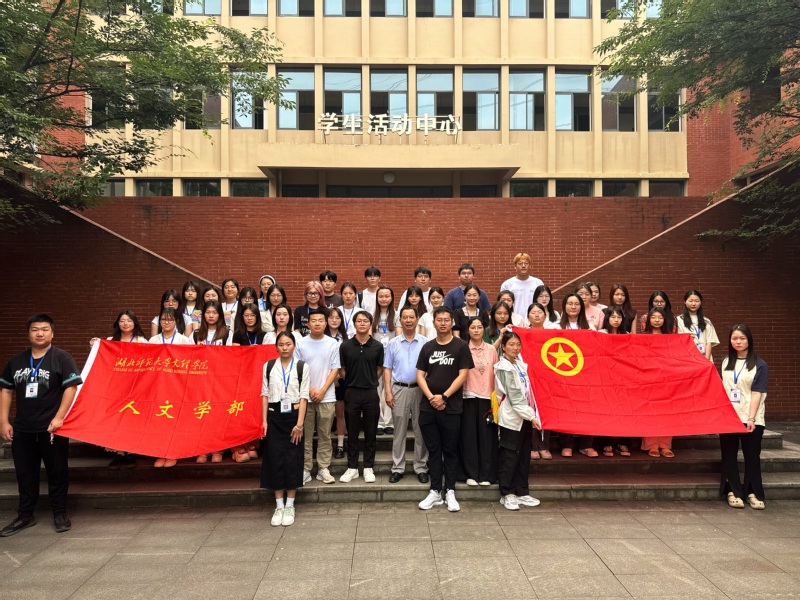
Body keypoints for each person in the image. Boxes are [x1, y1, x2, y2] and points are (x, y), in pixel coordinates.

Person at [0, 314, 82, 536]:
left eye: (44, 329)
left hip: (52, 428)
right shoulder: (16, 361)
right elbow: (6, 390)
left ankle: (60, 513)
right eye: (35, 329)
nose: (40, 333)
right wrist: (4, 421)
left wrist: (59, 417)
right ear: (28, 334)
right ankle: (25, 515)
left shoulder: (62, 358)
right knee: (25, 473)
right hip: (23, 428)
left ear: (52, 333)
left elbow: (71, 388)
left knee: (57, 472)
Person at [416, 307, 474, 512]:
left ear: (452, 323)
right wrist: (431, 397)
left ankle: (450, 491)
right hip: (428, 407)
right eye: (439, 320)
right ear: (434, 322)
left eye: (446, 320)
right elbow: (420, 375)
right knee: (433, 451)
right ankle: (435, 491)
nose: (442, 323)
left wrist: (445, 397)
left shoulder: (461, 346)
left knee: (450, 451)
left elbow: (463, 375)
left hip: (451, 407)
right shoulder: (427, 347)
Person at [261, 332, 309, 527]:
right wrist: (264, 421)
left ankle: (290, 504)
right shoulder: (268, 366)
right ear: (276, 347)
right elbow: (264, 394)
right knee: (275, 459)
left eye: (288, 344)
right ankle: (279, 505)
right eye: (281, 344)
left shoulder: (301, 366)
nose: (284, 348)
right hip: (274, 417)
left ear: (294, 345)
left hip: (293, 418)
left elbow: (304, 397)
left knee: (292, 459)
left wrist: (300, 424)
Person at [719, 325, 768, 510]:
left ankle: (753, 492)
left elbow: (757, 392)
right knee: (729, 455)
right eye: (734, 338)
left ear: (749, 340)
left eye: (742, 338)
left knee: (752, 456)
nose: (738, 342)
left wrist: (751, 418)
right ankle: (732, 491)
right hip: (729, 416)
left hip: (751, 418)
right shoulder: (725, 362)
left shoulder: (759, 364)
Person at [495, 331, 541, 510]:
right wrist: (532, 416)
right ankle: (507, 493)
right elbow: (514, 397)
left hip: (526, 417)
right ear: (503, 347)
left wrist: (532, 415)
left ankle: (522, 492)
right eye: (511, 344)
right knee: (510, 455)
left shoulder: (521, 365)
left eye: (518, 344)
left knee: (523, 455)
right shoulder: (503, 367)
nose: (515, 348)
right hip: (512, 418)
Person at [383, 306, 430, 484]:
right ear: (400, 320)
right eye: (405, 317)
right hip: (399, 389)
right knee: (399, 431)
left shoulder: (426, 343)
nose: (408, 320)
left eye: (411, 317)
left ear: (417, 319)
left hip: (420, 389)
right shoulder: (393, 343)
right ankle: (397, 467)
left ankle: (421, 467)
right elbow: (387, 369)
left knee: (420, 430)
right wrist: (388, 391)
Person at [295, 308, 340, 485]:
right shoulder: (301, 343)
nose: (317, 324)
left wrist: (322, 391)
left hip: (327, 397)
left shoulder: (332, 343)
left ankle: (323, 468)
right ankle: (305, 469)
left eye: (321, 320)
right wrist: (311, 390)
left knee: (324, 435)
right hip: (305, 397)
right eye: (313, 321)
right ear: (308, 324)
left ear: (326, 323)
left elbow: (335, 369)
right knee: (305, 435)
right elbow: (297, 369)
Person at [338, 312, 384, 483]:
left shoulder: (378, 346)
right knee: (352, 432)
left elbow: (380, 369)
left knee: (371, 432)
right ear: (354, 324)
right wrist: (353, 380)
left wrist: (369, 380)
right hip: (351, 392)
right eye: (359, 321)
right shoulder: (346, 346)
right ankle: (352, 468)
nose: (362, 323)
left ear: (370, 324)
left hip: (371, 392)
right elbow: (341, 369)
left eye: (365, 321)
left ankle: (368, 467)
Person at [190, 300, 233, 464]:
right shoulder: (195, 334)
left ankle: (217, 449)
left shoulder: (227, 334)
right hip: (201, 382)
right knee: (202, 415)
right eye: (208, 312)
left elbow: (231, 356)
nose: (211, 315)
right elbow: (189, 357)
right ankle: (203, 449)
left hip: (220, 380)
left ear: (220, 315)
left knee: (218, 415)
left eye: (214, 312)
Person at [148, 307, 191, 468]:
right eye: (163, 319)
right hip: (158, 386)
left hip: (177, 386)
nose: (166, 322)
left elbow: (191, 361)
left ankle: (173, 452)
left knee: (175, 420)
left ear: (176, 322)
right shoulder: (153, 340)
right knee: (160, 419)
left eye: (170, 319)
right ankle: (161, 452)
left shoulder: (184, 340)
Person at [557, 294, 597, 457]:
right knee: (565, 409)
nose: (573, 307)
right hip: (562, 375)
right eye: (569, 303)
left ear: (581, 306)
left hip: (585, 375)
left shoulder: (590, 327)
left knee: (587, 408)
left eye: (576, 304)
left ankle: (586, 445)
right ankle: (567, 444)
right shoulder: (555, 327)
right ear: (564, 306)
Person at [461, 319, 499, 486]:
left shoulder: (491, 349)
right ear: (468, 330)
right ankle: (471, 474)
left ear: (484, 329)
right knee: (469, 436)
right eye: (473, 327)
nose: (476, 330)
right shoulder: (463, 348)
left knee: (487, 438)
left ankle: (487, 475)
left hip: (487, 398)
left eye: (479, 327)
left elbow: (496, 374)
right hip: (468, 396)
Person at [640, 308, 674, 458]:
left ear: (665, 320)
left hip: (667, 379)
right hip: (648, 379)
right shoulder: (641, 338)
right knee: (650, 413)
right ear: (648, 320)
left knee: (667, 413)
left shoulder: (671, 338)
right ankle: (652, 445)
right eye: (654, 317)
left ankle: (665, 445)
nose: (657, 320)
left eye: (660, 317)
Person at [373, 285, 397, 435]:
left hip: (391, 358)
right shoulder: (372, 314)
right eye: (381, 296)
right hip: (376, 359)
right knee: (376, 390)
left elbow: (398, 337)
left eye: (387, 296)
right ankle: (379, 422)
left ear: (392, 298)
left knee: (388, 390)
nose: (384, 299)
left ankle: (389, 422)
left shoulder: (397, 315)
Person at [325, 308, 348, 459]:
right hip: (323, 381)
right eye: (331, 317)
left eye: (337, 317)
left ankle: (340, 445)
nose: (334, 320)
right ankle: (325, 446)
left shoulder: (345, 340)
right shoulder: (320, 337)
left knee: (340, 413)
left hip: (340, 381)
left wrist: (338, 376)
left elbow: (345, 362)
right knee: (325, 416)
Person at [676, 289, 719, 361]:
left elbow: (709, 342)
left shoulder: (706, 321)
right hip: (687, 359)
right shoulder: (678, 320)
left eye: (696, 301)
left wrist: (706, 360)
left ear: (700, 302)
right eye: (690, 301)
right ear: (685, 302)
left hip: (704, 358)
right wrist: (686, 338)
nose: (693, 304)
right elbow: (677, 340)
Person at [500, 253, 544, 320]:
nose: (523, 266)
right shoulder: (507, 284)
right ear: (515, 266)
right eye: (520, 263)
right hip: (513, 320)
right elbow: (502, 305)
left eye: (526, 263)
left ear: (530, 266)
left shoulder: (538, 283)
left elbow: (542, 303)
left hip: (534, 320)